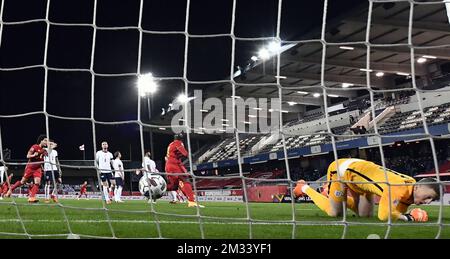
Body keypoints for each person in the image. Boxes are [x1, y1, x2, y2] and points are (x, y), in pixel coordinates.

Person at [293, 158, 440, 222]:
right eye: (428, 197)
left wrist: (407, 215)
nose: (427, 202)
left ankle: (330, 193)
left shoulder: (412, 187)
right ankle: (304, 188)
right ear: (419, 187)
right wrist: (409, 218)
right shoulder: (399, 188)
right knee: (335, 213)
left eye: (431, 200)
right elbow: (383, 215)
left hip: (362, 176)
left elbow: (397, 211)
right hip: (344, 170)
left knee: (364, 216)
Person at [6, 135, 48, 203]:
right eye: (45, 140)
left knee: (37, 183)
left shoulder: (44, 150)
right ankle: (10, 189)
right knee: (22, 182)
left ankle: (31, 197)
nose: (46, 142)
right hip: (30, 167)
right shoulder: (34, 147)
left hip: (38, 168)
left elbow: (45, 157)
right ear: (41, 141)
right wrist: (33, 155)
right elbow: (27, 156)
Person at [165, 133, 204, 208]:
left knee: (174, 186)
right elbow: (184, 153)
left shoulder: (171, 144)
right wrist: (191, 155)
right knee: (185, 180)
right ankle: (191, 201)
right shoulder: (178, 143)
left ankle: (158, 190)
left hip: (169, 165)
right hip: (174, 164)